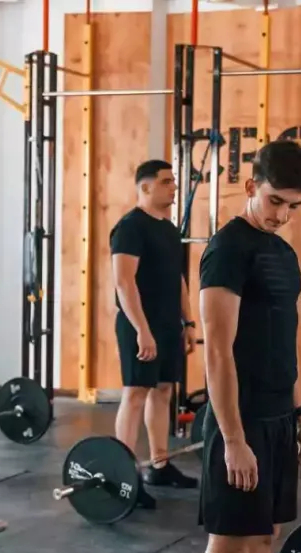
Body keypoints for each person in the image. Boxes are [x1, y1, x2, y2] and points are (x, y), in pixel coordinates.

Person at [192, 140, 301, 553]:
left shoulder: (282, 251)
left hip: (276, 416)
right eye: (274, 202)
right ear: (250, 187)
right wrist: (234, 439)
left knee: (264, 534)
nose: (283, 215)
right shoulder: (228, 250)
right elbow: (217, 350)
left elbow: (281, 342)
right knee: (226, 546)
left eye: (294, 206)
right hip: (238, 421)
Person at [109, 159, 198, 508]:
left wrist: (188, 322)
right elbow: (123, 281)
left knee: (162, 392)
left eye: (173, 181)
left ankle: (159, 466)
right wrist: (142, 330)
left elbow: (177, 278)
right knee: (135, 395)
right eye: (166, 181)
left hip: (166, 324)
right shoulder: (130, 227)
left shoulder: (168, 228)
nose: (174, 187)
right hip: (138, 324)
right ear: (145, 187)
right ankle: (123, 477)